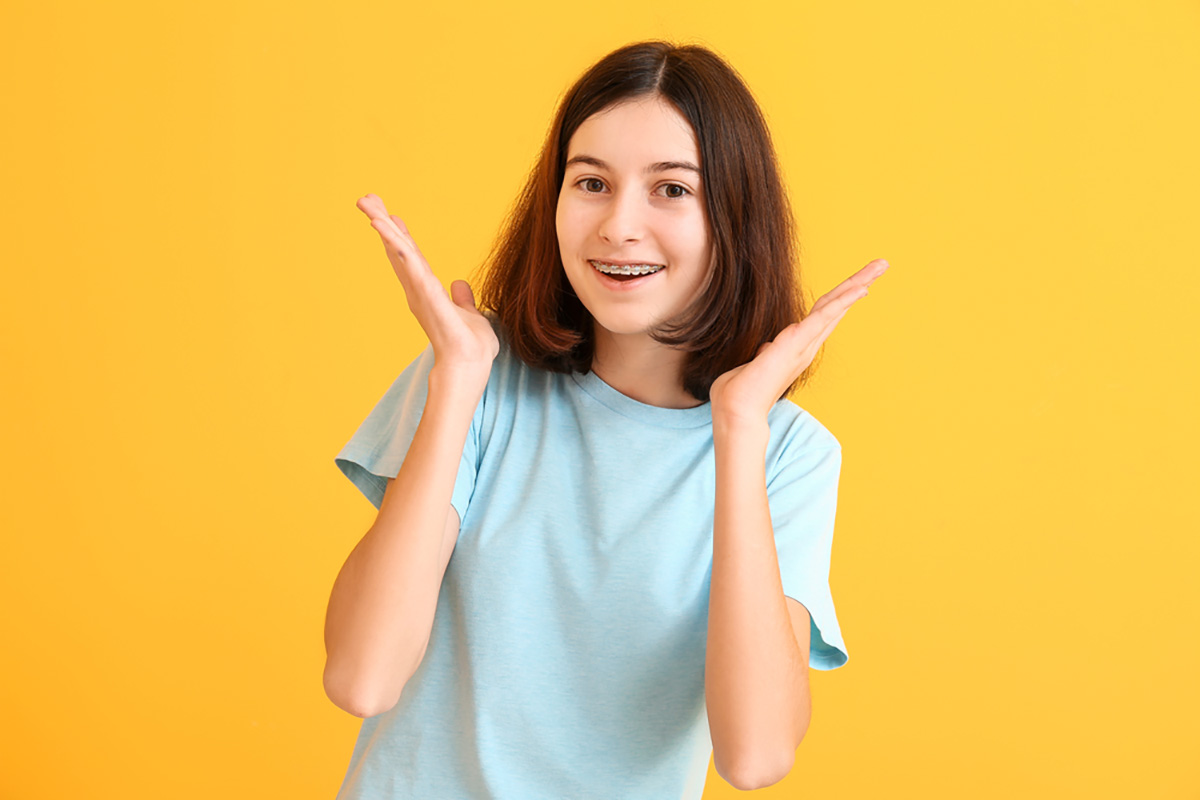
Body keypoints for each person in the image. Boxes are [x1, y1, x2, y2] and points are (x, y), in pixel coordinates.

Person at [323, 39, 889, 799]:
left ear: (735, 216)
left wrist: (739, 427)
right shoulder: (475, 375)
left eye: (672, 190)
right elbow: (362, 676)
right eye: (591, 182)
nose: (619, 226)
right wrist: (458, 379)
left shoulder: (787, 454)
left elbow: (753, 758)